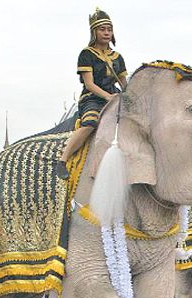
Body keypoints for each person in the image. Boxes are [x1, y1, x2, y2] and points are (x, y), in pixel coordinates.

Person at [56, 8, 127, 180]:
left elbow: (124, 84)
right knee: (90, 124)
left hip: (115, 97)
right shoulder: (86, 54)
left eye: (109, 29)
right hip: (93, 97)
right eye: (102, 29)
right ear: (94, 32)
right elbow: (89, 83)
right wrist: (107, 97)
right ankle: (63, 160)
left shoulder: (117, 57)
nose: (106, 33)